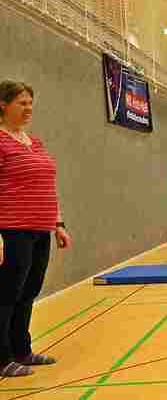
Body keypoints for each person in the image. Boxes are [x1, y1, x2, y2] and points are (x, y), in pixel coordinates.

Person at [0, 81, 72, 378]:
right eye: (22, 103)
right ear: (3, 105)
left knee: (29, 291)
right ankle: (2, 358)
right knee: (7, 293)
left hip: (40, 230)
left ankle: (22, 350)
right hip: (11, 230)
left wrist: (58, 223)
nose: (28, 108)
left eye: (30, 103)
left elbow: (46, 186)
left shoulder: (35, 143)